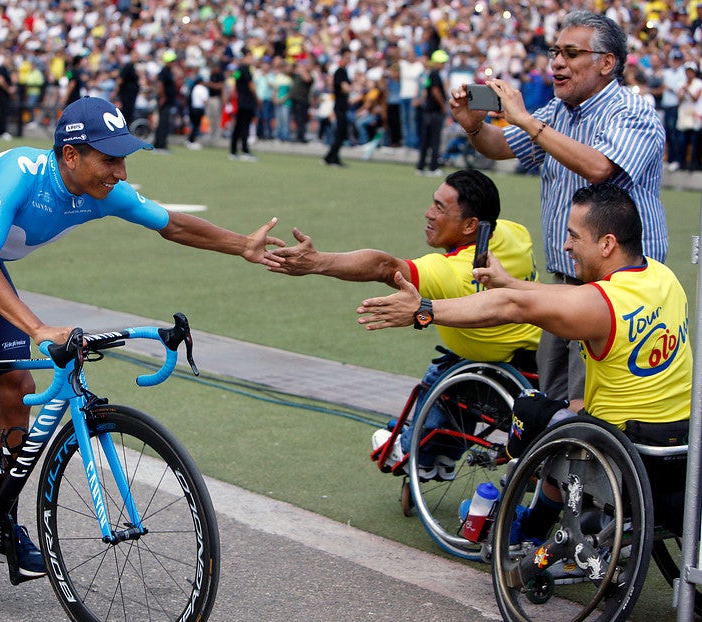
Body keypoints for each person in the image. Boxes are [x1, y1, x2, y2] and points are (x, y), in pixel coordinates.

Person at [0, 96, 285, 577]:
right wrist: (38, 328)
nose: (120, 172)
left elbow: (173, 225)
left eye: (123, 159)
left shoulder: (102, 192)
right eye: (110, 159)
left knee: (17, 387)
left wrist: (242, 245)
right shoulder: (22, 172)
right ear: (71, 155)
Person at [356, 182, 691, 540]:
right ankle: (542, 512)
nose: (566, 246)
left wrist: (425, 310)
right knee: (571, 411)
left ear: (607, 243)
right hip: (677, 445)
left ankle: (530, 524)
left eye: (574, 236)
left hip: (621, 452)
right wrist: (509, 281)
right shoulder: (662, 277)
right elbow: (570, 297)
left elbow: (511, 307)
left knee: (533, 409)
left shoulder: (605, 305)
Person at [449, 10, 669, 412]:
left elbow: (599, 167)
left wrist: (524, 119)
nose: (557, 63)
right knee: (553, 401)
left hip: (620, 288)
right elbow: (501, 147)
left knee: (594, 407)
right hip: (565, 280)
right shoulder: (557, 112)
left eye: (571, 53)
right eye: (555, 52)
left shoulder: (631, 111)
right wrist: (474, 126)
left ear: (607, 63)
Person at [268, 169, 541, 477]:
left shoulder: (448, 271)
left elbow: (384, 266)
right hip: (533, 364)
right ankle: (441, 452)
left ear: (470, 225)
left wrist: (318, 262)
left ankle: (413, 448)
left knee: (442, 373)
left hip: (487, 368)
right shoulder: (516, 233)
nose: (428, 213)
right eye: (433, 203)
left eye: (440, 208)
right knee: (455, 368)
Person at [416, 49, 449, 176]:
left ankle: (421, 166)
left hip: (427, 112)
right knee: (435, 140)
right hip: (435, 112)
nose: (444, 65)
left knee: (425, 140)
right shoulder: (435, 74)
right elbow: (435, 91)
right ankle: (433, 168)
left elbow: (426, 90)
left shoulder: (430, 74)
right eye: (442, 62)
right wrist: (443, 106)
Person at [323, 47, 352, 167]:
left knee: (340, 133)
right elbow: (345, 88)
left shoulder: (343, 71)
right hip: (340, 106)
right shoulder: (340, 72)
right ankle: (333, 157)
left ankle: (330, 156)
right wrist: (353, 88)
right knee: (340, 134)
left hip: (341, 106)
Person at [229, 47, 259, 161]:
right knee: (245, 126)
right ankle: (245, 150)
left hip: (240, 100)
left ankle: (233, 150)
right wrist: (257, 98)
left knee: (238, 125)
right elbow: (251, 85)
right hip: (247, 101)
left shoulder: (238, 69)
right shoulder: (246, 69)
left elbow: (235, 80)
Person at [153, 49, 179, 152]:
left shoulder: (168, 71)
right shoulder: (164, 71)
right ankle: (160, 145)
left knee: (164, 122)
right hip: (165, 101)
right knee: (163, 123)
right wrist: (163, 97)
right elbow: (160, 84)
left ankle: (160, 144)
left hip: (168, 101)